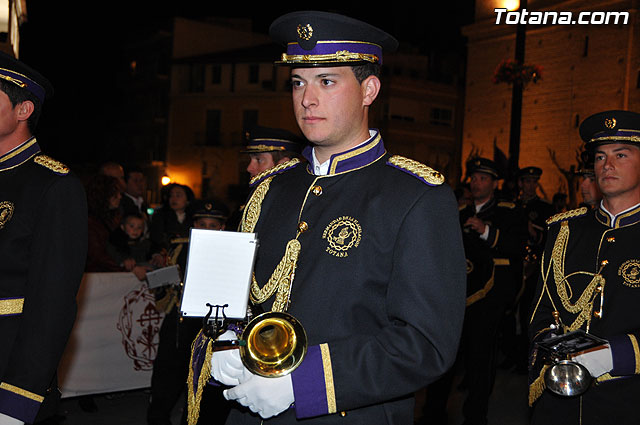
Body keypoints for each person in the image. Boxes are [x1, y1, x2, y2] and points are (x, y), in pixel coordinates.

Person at [201, 11, 467, 425]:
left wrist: (301, 382)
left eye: (327, 81)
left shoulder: (416, 197)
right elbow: (226, 303)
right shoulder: (268, 188)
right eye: (297, 82)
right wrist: (219, 345)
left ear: (369, 90)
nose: (307, 99)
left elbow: (426, 344)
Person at [528, 110, 640, 425]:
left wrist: (611, 355)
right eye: (600, 156)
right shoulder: (565, 230)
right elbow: (540, 311)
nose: (607, 164)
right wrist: (553, 349)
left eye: (621, 154)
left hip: (627, 399)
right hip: (559, 401)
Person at [0, 52, 87, 424]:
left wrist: (16, 402)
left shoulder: (54, 186)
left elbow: (51, 307)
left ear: (23, 111)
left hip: (7, 371)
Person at [454, 157, 527, 425]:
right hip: (457, 296)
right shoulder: (460, 212)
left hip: (489, 297)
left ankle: (475, 417)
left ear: (495, 184)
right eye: (473, 178)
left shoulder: (508, 211)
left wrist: (487, 231)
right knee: (448, 359)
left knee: (480, 359)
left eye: (483, 178)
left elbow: (519, 246)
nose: (476, 183)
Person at [147, 199, 231, 425]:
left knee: (200, 381)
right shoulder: (180, 247)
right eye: (202, 224)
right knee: (167, 375)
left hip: (210, 325)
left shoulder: (231, 250)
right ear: (194, 225)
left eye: (212, 225)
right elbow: (164, 286)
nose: (206, 229)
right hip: (180, 321)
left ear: (221, 227)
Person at [149, 183, 194, 253]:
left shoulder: (193, 218)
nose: (174, 199)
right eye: (171, 196)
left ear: (188, 200)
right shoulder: (160, 216)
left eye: (178, 196)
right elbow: (155, 241)